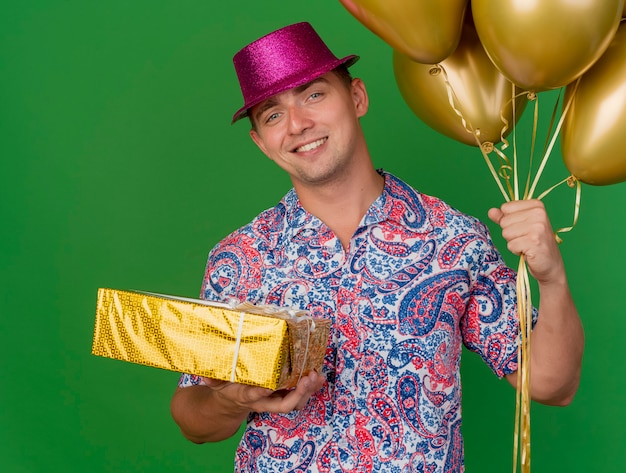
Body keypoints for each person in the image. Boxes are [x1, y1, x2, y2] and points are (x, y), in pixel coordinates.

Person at [170, 21, 584, 472]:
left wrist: (552, 277)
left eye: (314, 95)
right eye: (272, 115)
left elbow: (550, 385)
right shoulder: (238, 259)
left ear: (357, 97)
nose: (298, 124)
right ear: (262, 143)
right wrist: (234, 401)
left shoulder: (452, 238)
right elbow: (194, 417)